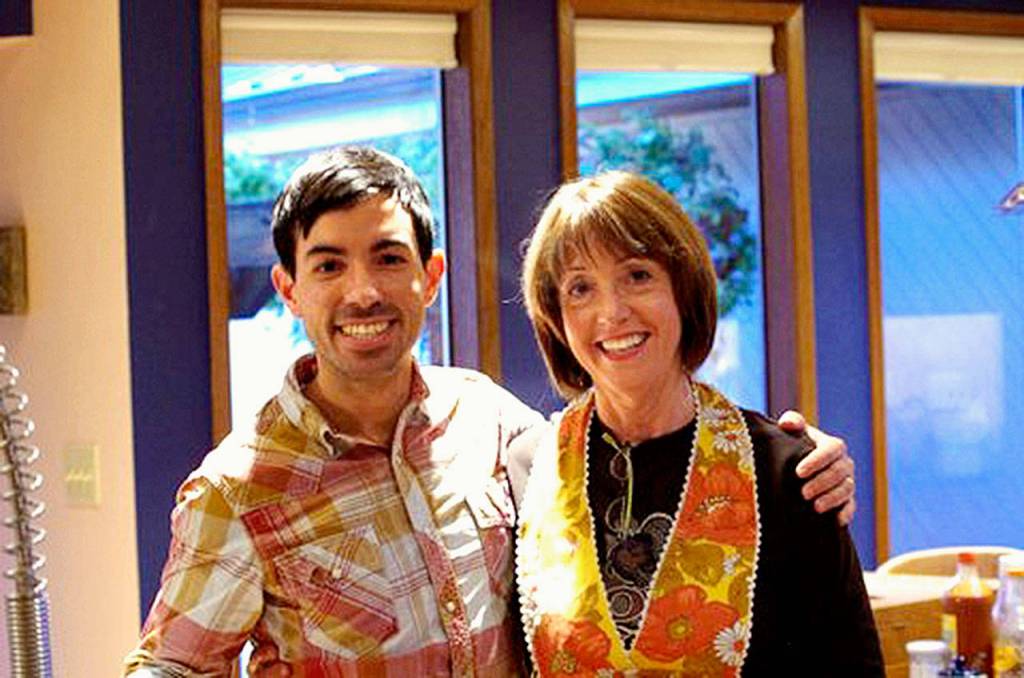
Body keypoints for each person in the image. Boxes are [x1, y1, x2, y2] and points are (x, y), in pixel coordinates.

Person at [124, 148, 857, 677]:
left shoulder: (499, 432)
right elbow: (171, 668)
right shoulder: (238, 487)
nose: (362, 293)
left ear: (429, 276)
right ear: (288, 289)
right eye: (328, 266)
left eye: (387, 257)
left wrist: (796, 458)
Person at [513, 171, 883, 676]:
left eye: (637, 276)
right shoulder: (527, 467)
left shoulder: (787, 471)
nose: (612, 311)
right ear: (555, 318)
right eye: (580, 288)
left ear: (683, 291)